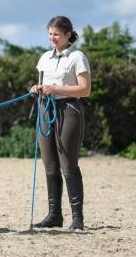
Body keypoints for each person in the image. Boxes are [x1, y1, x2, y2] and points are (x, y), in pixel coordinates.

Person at [30, 16, 91, 230]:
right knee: (50, 164)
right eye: (50, 34)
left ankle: (77, 219)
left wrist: (56, 89)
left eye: (56, 34)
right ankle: (54, 215)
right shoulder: (44, 58)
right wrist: (36, 89)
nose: (52, 38)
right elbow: (41, 83)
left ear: (67, 34)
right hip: (46, 110)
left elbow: (85, 89)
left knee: (68, 164)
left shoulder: (77, 57)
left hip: (69, 109)